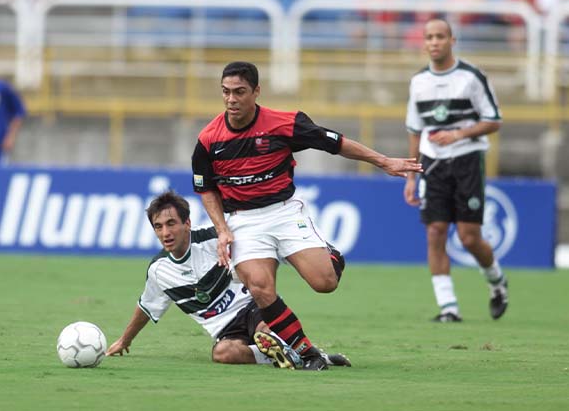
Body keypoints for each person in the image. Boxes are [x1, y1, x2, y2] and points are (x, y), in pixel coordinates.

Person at [192, 61, 422, 370]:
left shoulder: (284, 123)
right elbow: (206, 189)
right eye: (226, 92)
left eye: (240, 92)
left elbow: (335, 143)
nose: (232, 100)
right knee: (260, 287)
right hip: (243, 220)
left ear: (256, 92)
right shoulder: (208, 140)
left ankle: (330, 256)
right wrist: (222, 229)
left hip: (284, 213)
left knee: (324, 282)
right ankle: (307, 353)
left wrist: (383, 162)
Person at [106, 191, 351, 369]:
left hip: (253, 306)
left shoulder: (216, 239)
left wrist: (315, 256)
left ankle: (296, 351)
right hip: (225, 328)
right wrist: (123, 341)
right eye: (158, 227)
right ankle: (300, 355)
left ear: (187, 223)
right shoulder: (159, 270)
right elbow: (146, 308)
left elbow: (269, 250)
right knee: (223, 353)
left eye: (171, 224)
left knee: (267, 331)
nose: (165, 233)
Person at [403, 19, 509, 323]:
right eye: (429, 37)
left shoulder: (471, 77)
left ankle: (497, 282)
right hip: (433, 162)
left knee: (469, 237)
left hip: (466, 159)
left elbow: (494, 120)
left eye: (440, 36)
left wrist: (458, 135)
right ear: (423, 43)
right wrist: (411, 174)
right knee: (435, 231)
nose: (434, 42)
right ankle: (448, 307)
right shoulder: (418, 82)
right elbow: (414, 130)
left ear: (452, 39)